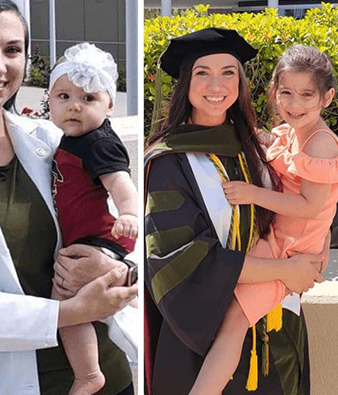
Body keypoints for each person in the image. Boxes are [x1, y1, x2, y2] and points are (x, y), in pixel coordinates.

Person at [0, 0, 137, 395]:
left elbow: (131, 233)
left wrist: (111, 264)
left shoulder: (54, 142)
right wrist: (71, 312)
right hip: (11, 383)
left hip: (111, 378)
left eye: (13, 50)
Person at [144, 28, 325, 395]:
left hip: (275, 328)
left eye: (228, 72)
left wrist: (313, 256)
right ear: (186, 84)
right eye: (202, 73)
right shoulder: (169, 162)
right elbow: (184, 258)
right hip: (201, 337)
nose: (217, 84)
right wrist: (287, 270)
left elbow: (308, 208)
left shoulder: (257, 145)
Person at [188, 44, 338, 395]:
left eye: (306, 95)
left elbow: (309, 207)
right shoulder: (289, 134)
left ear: (327, 97)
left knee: (234, 321)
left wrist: (253, 195)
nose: (294, 104)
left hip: (290, 249)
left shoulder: (321, 145)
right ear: (274, 91)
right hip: (281, 240)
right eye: (285, 93)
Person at [48, 42, 138, 395]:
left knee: (66, 300)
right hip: (85, 238)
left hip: (96, 239)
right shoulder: (66, 138)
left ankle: (88, 374)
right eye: (64, 96)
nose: (74, 106)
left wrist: (129, 213)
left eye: (89, 99)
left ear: (110, 105)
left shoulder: (97, 141)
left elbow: (120, 182)